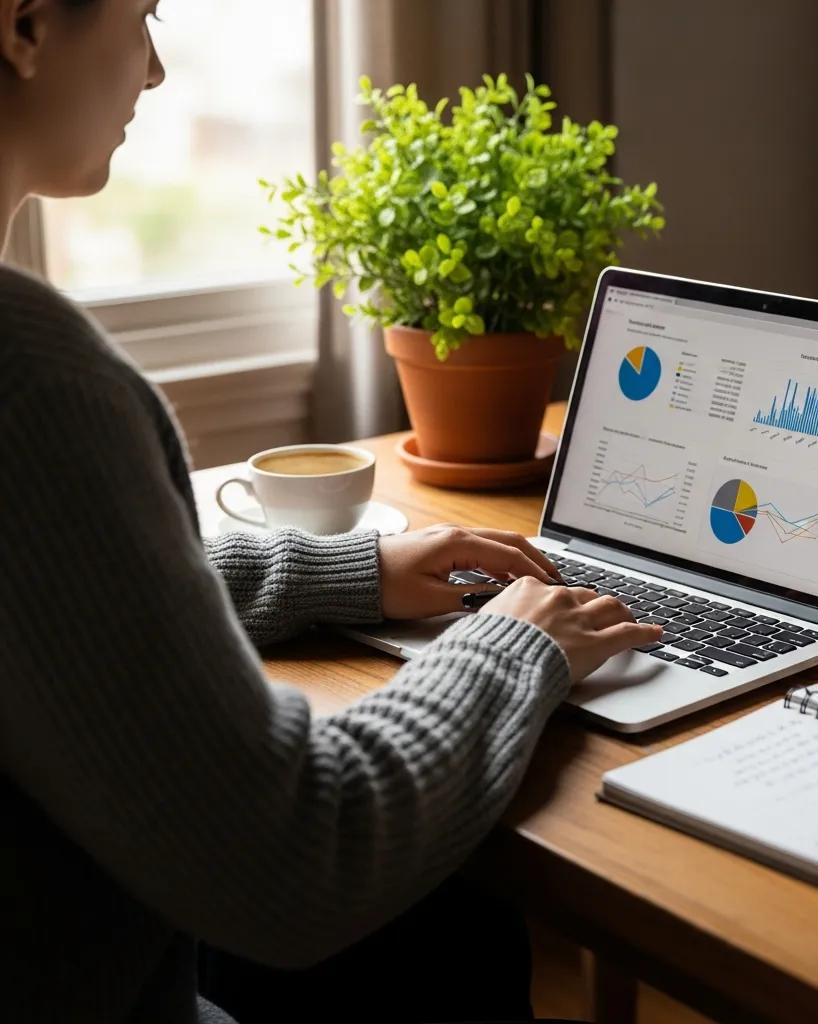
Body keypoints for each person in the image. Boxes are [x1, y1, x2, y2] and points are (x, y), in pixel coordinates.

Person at [0, 2, 662, 1021]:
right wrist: (506, 648)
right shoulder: (34, 389)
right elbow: (298, 857)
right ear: (27, 25)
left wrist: (337, 571)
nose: (159, 69)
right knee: (449, 933)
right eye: (143, 14)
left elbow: (52, 600)